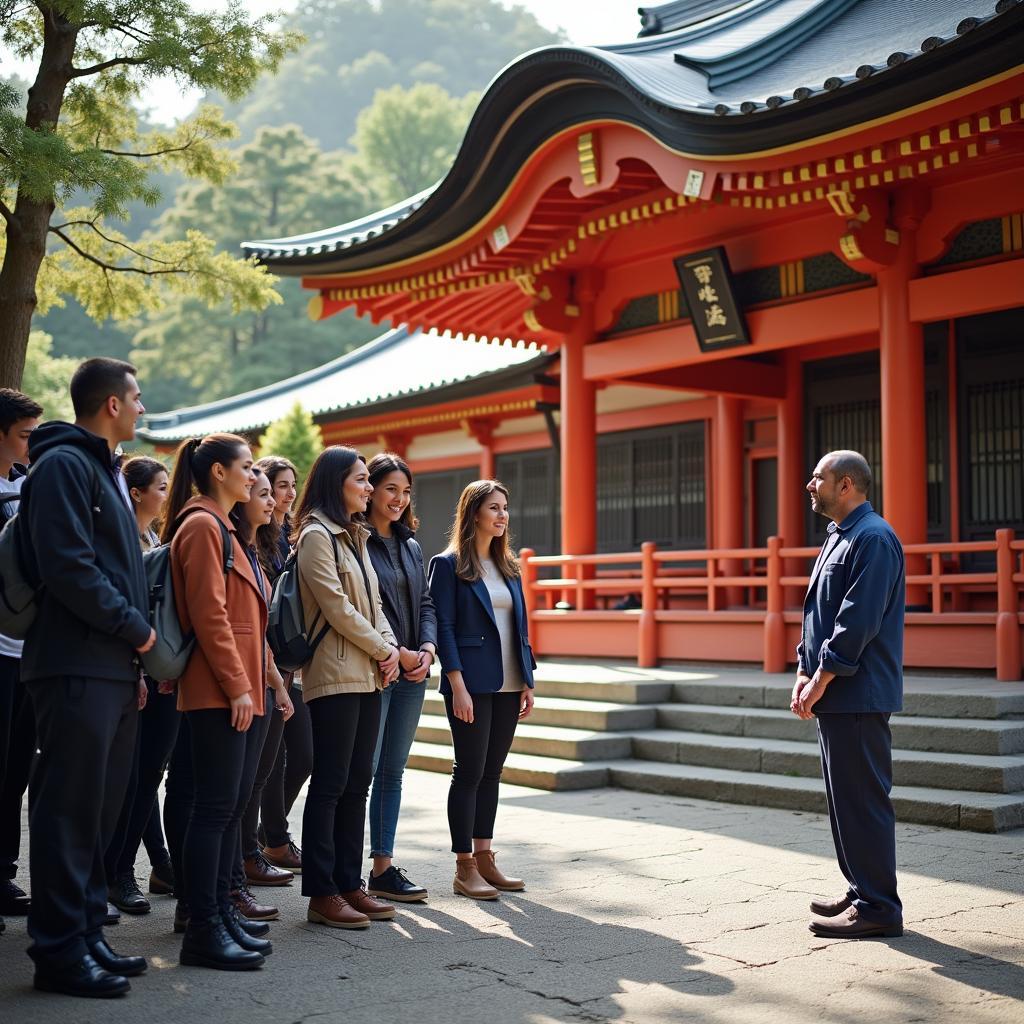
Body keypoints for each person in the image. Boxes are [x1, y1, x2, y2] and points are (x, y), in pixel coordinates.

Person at [20, 358, 154, 997]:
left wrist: (133, 656)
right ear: (110, 405)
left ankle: (85, 934)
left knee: (100, 811)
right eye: (136, 399)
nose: (141, 409)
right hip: (74, 661)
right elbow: (68, 567)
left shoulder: (104, 468)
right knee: (68, 812)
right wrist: (136, 628)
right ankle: (57, 953)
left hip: (112, 667)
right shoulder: (63, 466)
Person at [163, 435, 280, 971]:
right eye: (247, 467)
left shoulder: (223, 527)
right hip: (219, 690)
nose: (254, 476)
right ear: (217, 472)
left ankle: (219, 915)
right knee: (213, 809)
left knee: (227, 807)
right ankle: (204, 926)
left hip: (239, 687)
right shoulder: (203, 525)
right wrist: (237, 685)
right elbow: (209, 614)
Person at [791, 449, 905, 940]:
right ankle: (862, 889)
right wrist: (803, 667)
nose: (808, 485)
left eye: (818, 478)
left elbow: (856, 621)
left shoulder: (873, 538)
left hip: (858, 692)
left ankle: (879, 906)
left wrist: (822, 677)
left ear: (847, 485)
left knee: (862, 800)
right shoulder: (839, 536)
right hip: (836, 693)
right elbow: (818, 614)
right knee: (844, 800)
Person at [295, 446, 401, 929]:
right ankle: (322, 892)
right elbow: (336, 609)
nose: (368, 487)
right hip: (335, 674)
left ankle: (348, 881)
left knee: (359, 781)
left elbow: (375, 605)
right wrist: (384, 651)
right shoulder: (317, 535)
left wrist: (391, 647)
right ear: (337, 483)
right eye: (360, 479)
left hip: (369, 672)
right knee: (332, 782)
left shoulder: (355, 537)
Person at [427, 479, 535, 901]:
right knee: (468, 772)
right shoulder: (448, 564)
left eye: (505, 507)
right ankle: (463, 866)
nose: (502, 515)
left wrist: (528, 679)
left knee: (492, 773)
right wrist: (456, 683)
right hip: (470, 683)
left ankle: (486, 857)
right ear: (473, 513)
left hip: (510, 682)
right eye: (494, 507)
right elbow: (445, 627)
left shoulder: (509, 566)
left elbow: (520, 626)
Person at [105, 457, 178, 916]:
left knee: (149, 773)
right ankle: (117, 872)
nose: (166, 494)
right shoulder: (121, 539)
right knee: (131, 778)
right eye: (160, 486)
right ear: (135, 492)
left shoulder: (155, 538)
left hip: (162, 671)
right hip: (137, 671)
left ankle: (150, 864)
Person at [363, 453, 437, 903]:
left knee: (393, 770)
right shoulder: (356, 542)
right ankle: (345, 873)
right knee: (364, 770)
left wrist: (427, 650)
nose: (399, 499)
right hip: (378, 668)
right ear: (369, 489)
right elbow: (365, 609)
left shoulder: (410, 545)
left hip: (413, 672)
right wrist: (399, 652)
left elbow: (426, 603)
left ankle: (383, 867)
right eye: (391, 488)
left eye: (405, 491)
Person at [231, 469, 296, 891]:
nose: (275, 500)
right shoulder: (226, 542)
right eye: (266, 492)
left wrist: (275, 679)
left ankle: (247, 859)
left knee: (259, 772)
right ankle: (232, 875)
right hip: (241, 678)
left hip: (269, 671)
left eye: (280, 492)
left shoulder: (261, 546)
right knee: (235, 784)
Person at [250, 455, 311, 878]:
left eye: (291, 485)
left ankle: (266, 836)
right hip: (265, 664)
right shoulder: (258, 539)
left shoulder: (292, 536)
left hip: (291, 663)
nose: (286, 494)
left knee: (302, 756)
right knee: (266, 763)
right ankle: (271, 840)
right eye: (277, 486)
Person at [0, 389, 42, 936]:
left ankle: (4, 871)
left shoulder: (27, 488)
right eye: (25, 435)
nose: (32, 446)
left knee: (14, 769)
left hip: (25, 651)